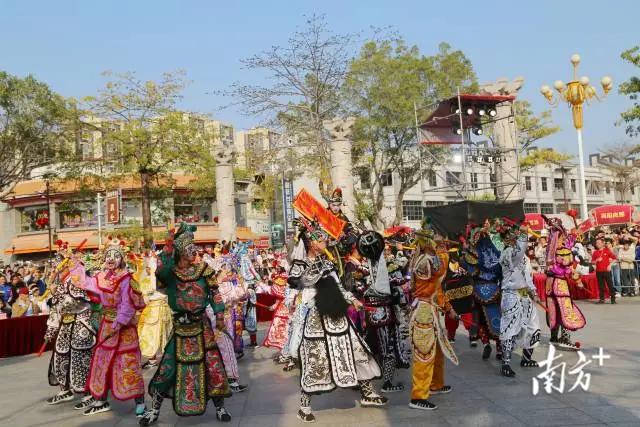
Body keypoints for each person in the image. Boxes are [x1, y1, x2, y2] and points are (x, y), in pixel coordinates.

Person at [288, 219, 387, 422]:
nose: (326, 242)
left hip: (336, 314)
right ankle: (304, 406)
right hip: (315, 317)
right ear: (311, 243)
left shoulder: (328, 263)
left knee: (357, 349)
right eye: (321, 240)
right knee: (315, 360)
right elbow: (297, 284)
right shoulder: (300, 265)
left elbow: (339, 287)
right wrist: (315, 273)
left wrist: (353, 300)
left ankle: (367, 392)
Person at [140, 223, 231, 425]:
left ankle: (220, 407)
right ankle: (154, 410)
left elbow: (215, 295)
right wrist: (168, 245)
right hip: (180, 327)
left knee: (212, 365)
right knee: (167, 368)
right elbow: (160, 273)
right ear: (180, 251)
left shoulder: (204, 270)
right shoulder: (171, 273)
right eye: (189, 248)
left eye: (194, 247)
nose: (194, 251)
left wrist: (220, 317)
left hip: (202, 326)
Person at [81, 238, 146, 416]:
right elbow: (84, 282)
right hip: (107, 326)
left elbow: (128, 304)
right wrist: (74, 266)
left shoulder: (127, 279)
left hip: (124, 329)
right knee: (102, 361)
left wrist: (120, 321)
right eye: (108, 255)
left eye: (115, 256)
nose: (110, 258)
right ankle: (101, 399)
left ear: (122, 259)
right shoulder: (103, 278)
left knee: (128, 363)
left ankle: (140, 401)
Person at [408, 222, 458, 411]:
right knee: (424, 354)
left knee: (436, 350)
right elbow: (441, 269)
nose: (439, 242)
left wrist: (448, 307)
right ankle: (418, 396)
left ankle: (435, 384)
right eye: (435, 240)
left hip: (430, 308)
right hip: (423, 311)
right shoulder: (426, 261)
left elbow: (437, 288)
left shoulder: (427, 258)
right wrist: (444, 250)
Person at [357, 230, 411, 394]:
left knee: (371, 346)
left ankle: (364, 379)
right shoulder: (387, 266)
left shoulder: (362, 268)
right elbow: (400, 280)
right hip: (385, 313)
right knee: (388, 348)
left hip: (370, 313)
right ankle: (387, 382)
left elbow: (358, 288)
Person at [44, 251, 96, 408]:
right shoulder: (59, 282)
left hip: (81, 322)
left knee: (81, 358)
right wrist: (51, 329)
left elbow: (76, 302)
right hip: (65, 325)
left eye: (59, 265)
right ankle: (65, 389)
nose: (56, 269)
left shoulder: (78, 278)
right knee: (60, 355)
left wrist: (56, 294)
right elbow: (55, 309)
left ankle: (88, 393)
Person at [498, 223, 541, 377]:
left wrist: (533, 292)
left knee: (533, 326)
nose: (514, 237)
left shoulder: (523, 257)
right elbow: (517, 252)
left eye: (516, 235)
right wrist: (524, 234)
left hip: (524, 296)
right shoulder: (507, 254)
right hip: (511, 295)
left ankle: (526, 358)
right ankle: (506, 363)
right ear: (505, 239)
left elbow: (527, 276)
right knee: (510, 329)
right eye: (512, 235)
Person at [544, 219, 586, 350]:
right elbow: (568, 268)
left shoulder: (550, 250)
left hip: (550, 284)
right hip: (559, 284)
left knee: (554, 309)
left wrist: (574, 235)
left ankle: (554, 337)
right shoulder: (562, 251)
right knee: (565, 309)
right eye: (563, 235)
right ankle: (565, 338)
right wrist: (577, 280)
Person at [592, 238, 617, 304]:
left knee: (610, 285)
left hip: (606, 271)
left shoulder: (607, 250)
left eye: (599, 243)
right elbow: (592, 262)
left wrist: (610, 265)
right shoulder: (595, 252)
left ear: (603, 243)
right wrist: (597, 260)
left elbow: (615, 258)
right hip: (598, 271)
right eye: (597, 243)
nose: (597, 244)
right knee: (601, 286)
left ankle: (613, 299)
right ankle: (602, 299)